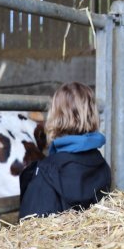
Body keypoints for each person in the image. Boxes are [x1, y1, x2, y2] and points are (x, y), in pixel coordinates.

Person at [19, 82, 111, 218]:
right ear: (93, 115)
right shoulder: (102, 166)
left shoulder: (46, 172)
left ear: (54, 116)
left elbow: (29, 227)